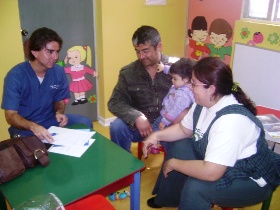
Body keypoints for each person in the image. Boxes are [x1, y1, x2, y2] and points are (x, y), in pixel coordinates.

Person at [143, 57, 280, 209]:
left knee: (196, 187)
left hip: (250, 178)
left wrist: (174, 164)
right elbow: (183, 129)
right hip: (221, 162)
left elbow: (211, 173)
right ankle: (169, 199)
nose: (189, 87)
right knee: (180, 146)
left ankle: (189, 199)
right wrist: (157, 135)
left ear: (212, 89)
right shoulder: (202, 103)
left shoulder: (231, 121)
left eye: (193, 84)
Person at [1, 27, 93, 143]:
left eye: (57, 51)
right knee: (36, 147)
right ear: (34, 52)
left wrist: (59, 112)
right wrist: (33, 127)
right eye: (49, 52)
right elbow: (10, 115)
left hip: (50, 120)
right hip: (25, 128)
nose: (55, 57)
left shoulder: (58, 71)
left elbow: (59, 100)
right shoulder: (15, 76)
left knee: (85, 123)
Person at [108, 25, 184, 152]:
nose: (141, 56)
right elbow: (115, 102)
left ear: (159, 46)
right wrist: (137, 117)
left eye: (145, 51)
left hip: (168, 123)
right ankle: (125, 168)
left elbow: (192, 94)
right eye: (137, 51)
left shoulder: (178, 68)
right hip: (141, 127)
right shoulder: (128, 72)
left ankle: (169, 168)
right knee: (117, 127)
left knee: (181, 145)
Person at [151, 58, 195, 153]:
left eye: (175, 79)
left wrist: (165, 121)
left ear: (186, 79)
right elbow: (174, 72)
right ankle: (157, 144)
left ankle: (157, 146)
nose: (172, 80)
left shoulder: (183, 94)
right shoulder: (184, 82)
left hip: (170, 118)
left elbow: (176, 110)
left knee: (157, 128)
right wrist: (164, 68)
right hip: (168, 115)